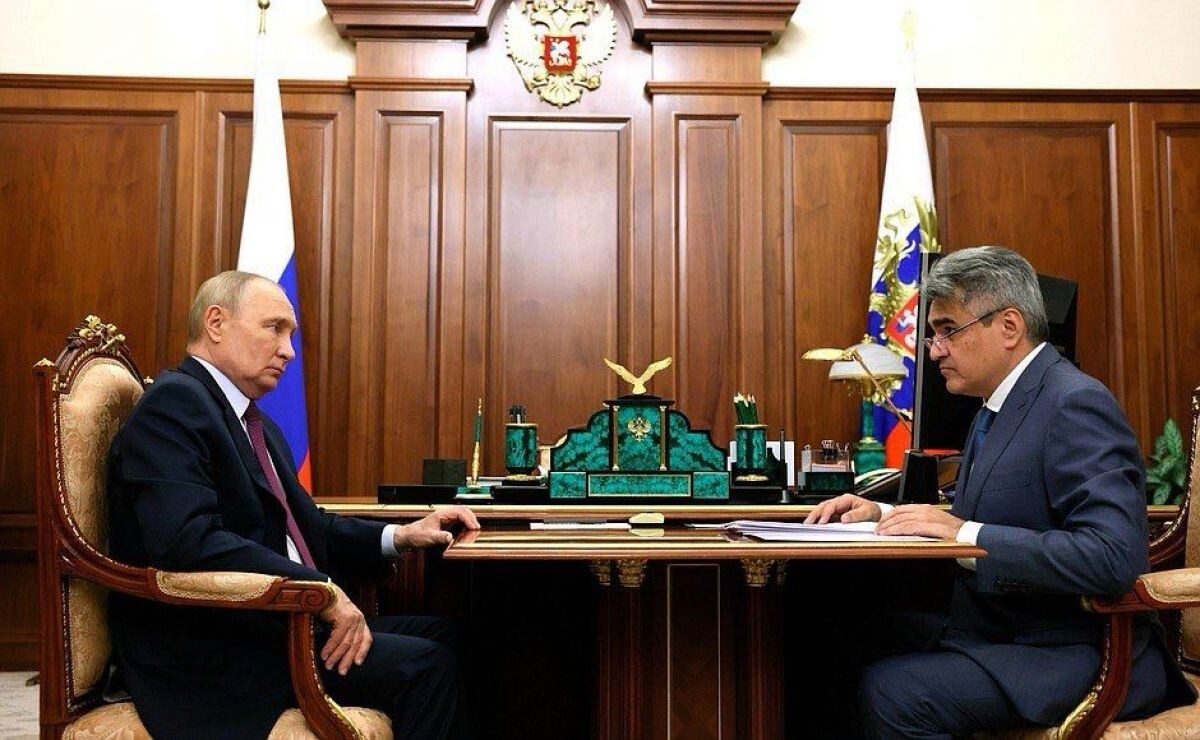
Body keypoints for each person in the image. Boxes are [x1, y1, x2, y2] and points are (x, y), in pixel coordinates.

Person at [804, 246, 1195, 738]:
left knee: (892, 693)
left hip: (1075, 652)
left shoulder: (1075, 403)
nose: (934, 351)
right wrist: (882, 513)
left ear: (1009, 326)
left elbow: (1112, 558)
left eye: (948, 330)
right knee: (829, 631)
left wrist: (965, 534)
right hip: (1000, 634)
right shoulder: (995, 406)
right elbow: (998, 508)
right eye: (932, 334)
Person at [107, 270, 480, 739]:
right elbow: (188, 541)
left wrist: (402, 535)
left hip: (278, 622)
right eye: (274, 328)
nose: (288, 351)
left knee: (449, 635)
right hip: (215, 649)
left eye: (290, 334)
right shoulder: (174, 406)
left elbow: (307, 528)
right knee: (427, 666)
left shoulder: (253, 421)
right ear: (216, 323)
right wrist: (321, 589)